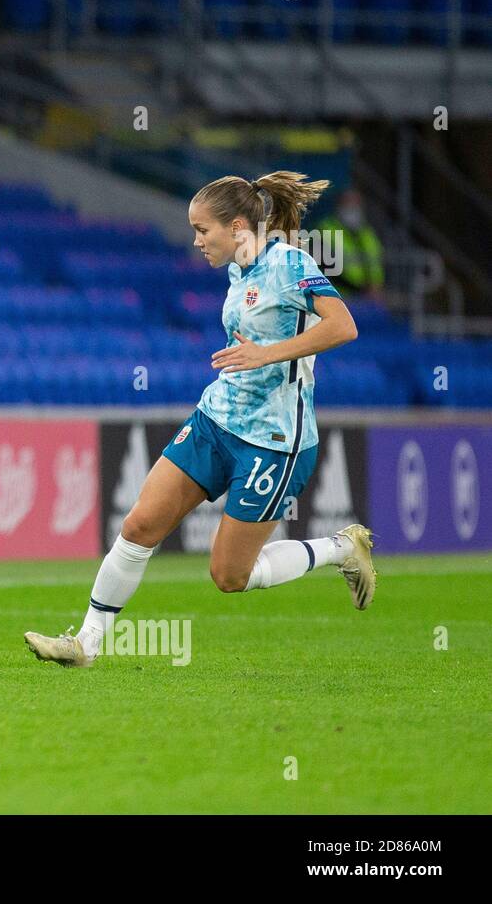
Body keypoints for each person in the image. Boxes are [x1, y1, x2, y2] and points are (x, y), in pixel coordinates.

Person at [25, 171, 376, 668]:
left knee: (229, 575)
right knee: (141, 523)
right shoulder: (239, 270)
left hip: (274, 438)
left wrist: (267, 355)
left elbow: (344, 325)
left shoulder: (290, 263)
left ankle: (342, 548)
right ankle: (86, 643)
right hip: (216, 418)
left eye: (202, 229)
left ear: (236, 226)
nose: (196, 240)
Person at [317, 189, 383, 297]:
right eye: (348, 203)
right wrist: (361, 290)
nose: (353, 208)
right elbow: (327, 269)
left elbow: (376, 263)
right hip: (338, 297)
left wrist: (375, 288)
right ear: (339, 205)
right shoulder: (324, 230)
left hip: (370, 297)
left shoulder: (367, 233)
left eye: (356, 204)